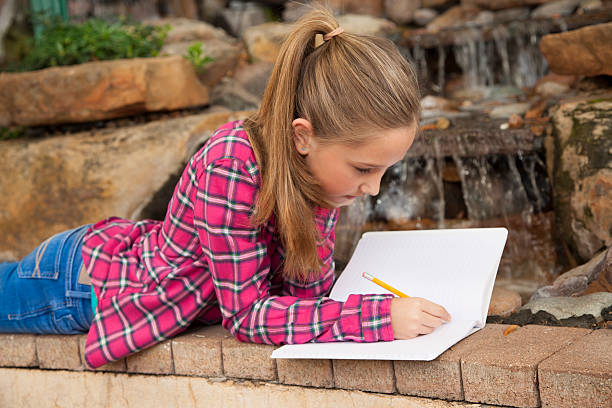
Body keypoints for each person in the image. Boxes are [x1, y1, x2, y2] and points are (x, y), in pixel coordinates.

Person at [0, 7, 450, 369]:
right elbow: (249, 316)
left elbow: (305, 300)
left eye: (384, 172)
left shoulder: (320, 176)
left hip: (110, 267)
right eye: (364, 169)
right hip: (78, 285)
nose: (372, 189)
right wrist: (376, 316)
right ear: (303, 135)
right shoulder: (233, 162)